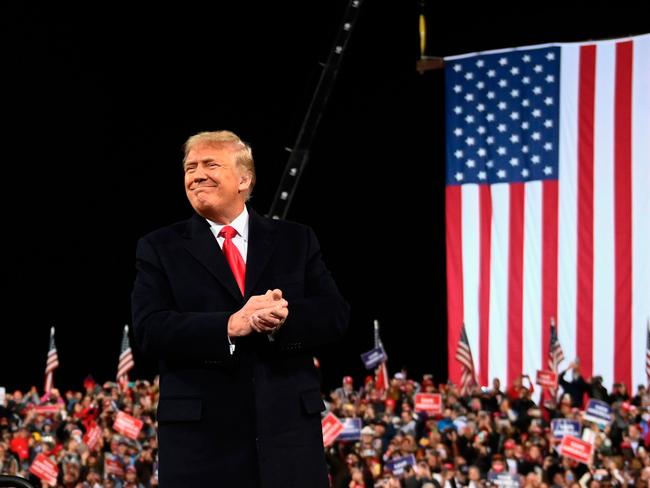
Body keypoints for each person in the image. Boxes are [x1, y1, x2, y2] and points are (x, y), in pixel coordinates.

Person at [131, 130, 350, 487]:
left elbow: (335, 315)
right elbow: (149, 330)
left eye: (210, 164)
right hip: (201, 448)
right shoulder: (159, 247)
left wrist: (282, 320)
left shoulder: (296, 240)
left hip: (289, 443)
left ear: (244, 178)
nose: (196, 174)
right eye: (190, 168)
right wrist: (229, 326)